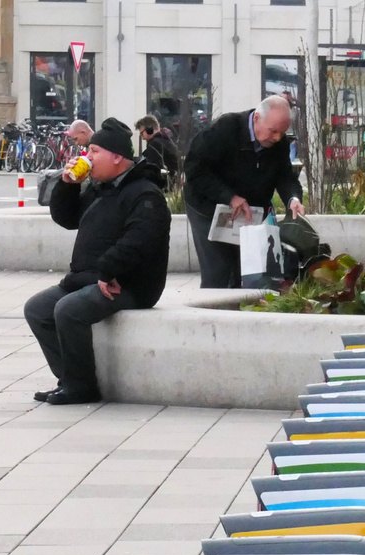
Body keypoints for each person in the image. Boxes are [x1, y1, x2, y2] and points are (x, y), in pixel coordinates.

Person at [24, 118, 170, 405]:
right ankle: (68, 379)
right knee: (38, 309)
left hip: (128, 284)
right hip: (93, 277)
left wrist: (107, 270)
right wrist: (67, 185)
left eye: (94, 152)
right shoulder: (100, 188)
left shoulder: (144, 193)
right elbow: (68, 219)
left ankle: (81, 387)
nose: (86, 158)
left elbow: (140, 241)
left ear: (117, 157)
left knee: (69, 309)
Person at [183, 95, 304, 288]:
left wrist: (293, 198)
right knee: (218, 267)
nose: (277, 138)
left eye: (282, 133)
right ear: (256, 118)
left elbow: (285, 176)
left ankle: (237, 311)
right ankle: (213, 311)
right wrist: (228, 197)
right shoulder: (225, 129)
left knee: (245, 267)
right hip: (207, 205)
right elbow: (194, 170)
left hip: (248, 210)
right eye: (273, 131)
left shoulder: (278, 142)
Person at [136, 115, 181, 190]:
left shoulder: (155, 144)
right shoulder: (166, 140)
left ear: (149, 129)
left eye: (142, 133)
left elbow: (151, 169)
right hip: (173, 184)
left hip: (165, 186)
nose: (142, 137)